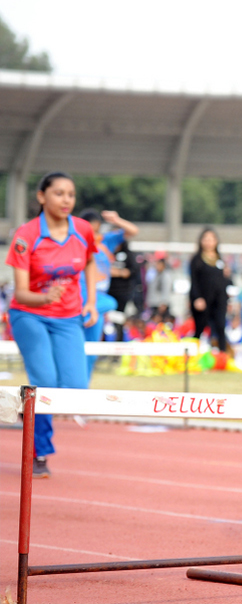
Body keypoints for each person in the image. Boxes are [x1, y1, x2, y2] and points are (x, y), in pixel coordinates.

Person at [7, 172, 98, 478]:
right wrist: (44, 298)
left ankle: (25, 413)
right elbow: (19, 293)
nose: (66, 200)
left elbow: (88, 262)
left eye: (70, 194)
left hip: (68, 317)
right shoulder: (26, 235)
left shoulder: (82, 230)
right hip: (28, 314)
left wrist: (91, 302)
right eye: (58, 193)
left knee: (74, 390)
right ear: (42, 196)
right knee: (44, 383)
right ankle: (39, 451)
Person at [76, 210, 123, 379]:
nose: (93, 235)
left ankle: (83, 385)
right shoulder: (75, 244)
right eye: (89, 231)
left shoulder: (103, 243)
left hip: (95, 303)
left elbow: (132, 231)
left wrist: (116, 220)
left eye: (95, 231)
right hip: (82, 298)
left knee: (92, 349)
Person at [189, 227, 230, 353]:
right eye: (206, 239)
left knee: (220, 326)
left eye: (211, 239)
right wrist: (197, 298)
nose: (208, 242)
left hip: (219, 300)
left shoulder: (220, 259)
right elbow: (194, 281)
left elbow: (225, 281)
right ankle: (192, 356)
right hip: (203, 299)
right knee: (200, 328)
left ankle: (223, 355)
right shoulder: (197, 260)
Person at [146, 252, 174, 324]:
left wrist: (164, 303)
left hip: (160, 304)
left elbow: (166, 289)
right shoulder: (155, 275)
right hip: (154, 303)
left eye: (159, 264)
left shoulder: (166, 276)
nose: (157, 266)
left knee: (161, 323)